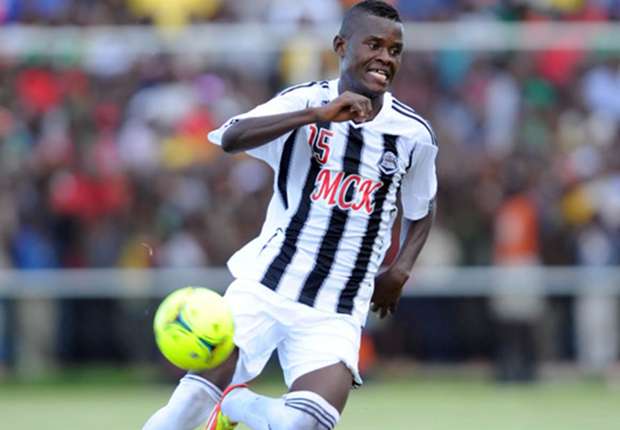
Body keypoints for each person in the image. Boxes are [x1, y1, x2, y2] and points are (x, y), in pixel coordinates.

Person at [143, 1, 437, 429]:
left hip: (337, 306)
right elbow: (231, 138)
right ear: (341, 45)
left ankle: (234, 405)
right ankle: (217, 402)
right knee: (185, 410)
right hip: (267, 286)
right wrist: (315, 116)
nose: (384, 58)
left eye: (394, 50)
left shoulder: (413, 134)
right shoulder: (306, 100)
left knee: (306, 424)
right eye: (373, 45)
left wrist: (400, 269)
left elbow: (423, 205)